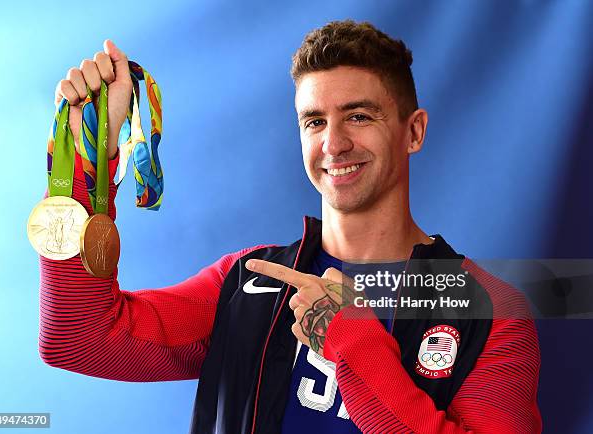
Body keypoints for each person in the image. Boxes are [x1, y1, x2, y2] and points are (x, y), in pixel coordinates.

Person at [39, 20, 542, 433]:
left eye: (359, 116)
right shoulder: (249, 280)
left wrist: (356, 342)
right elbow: (79, 337)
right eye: (314, 121)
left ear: (414, 131)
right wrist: (89, 162)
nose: (334, 143)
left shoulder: (490, 310)